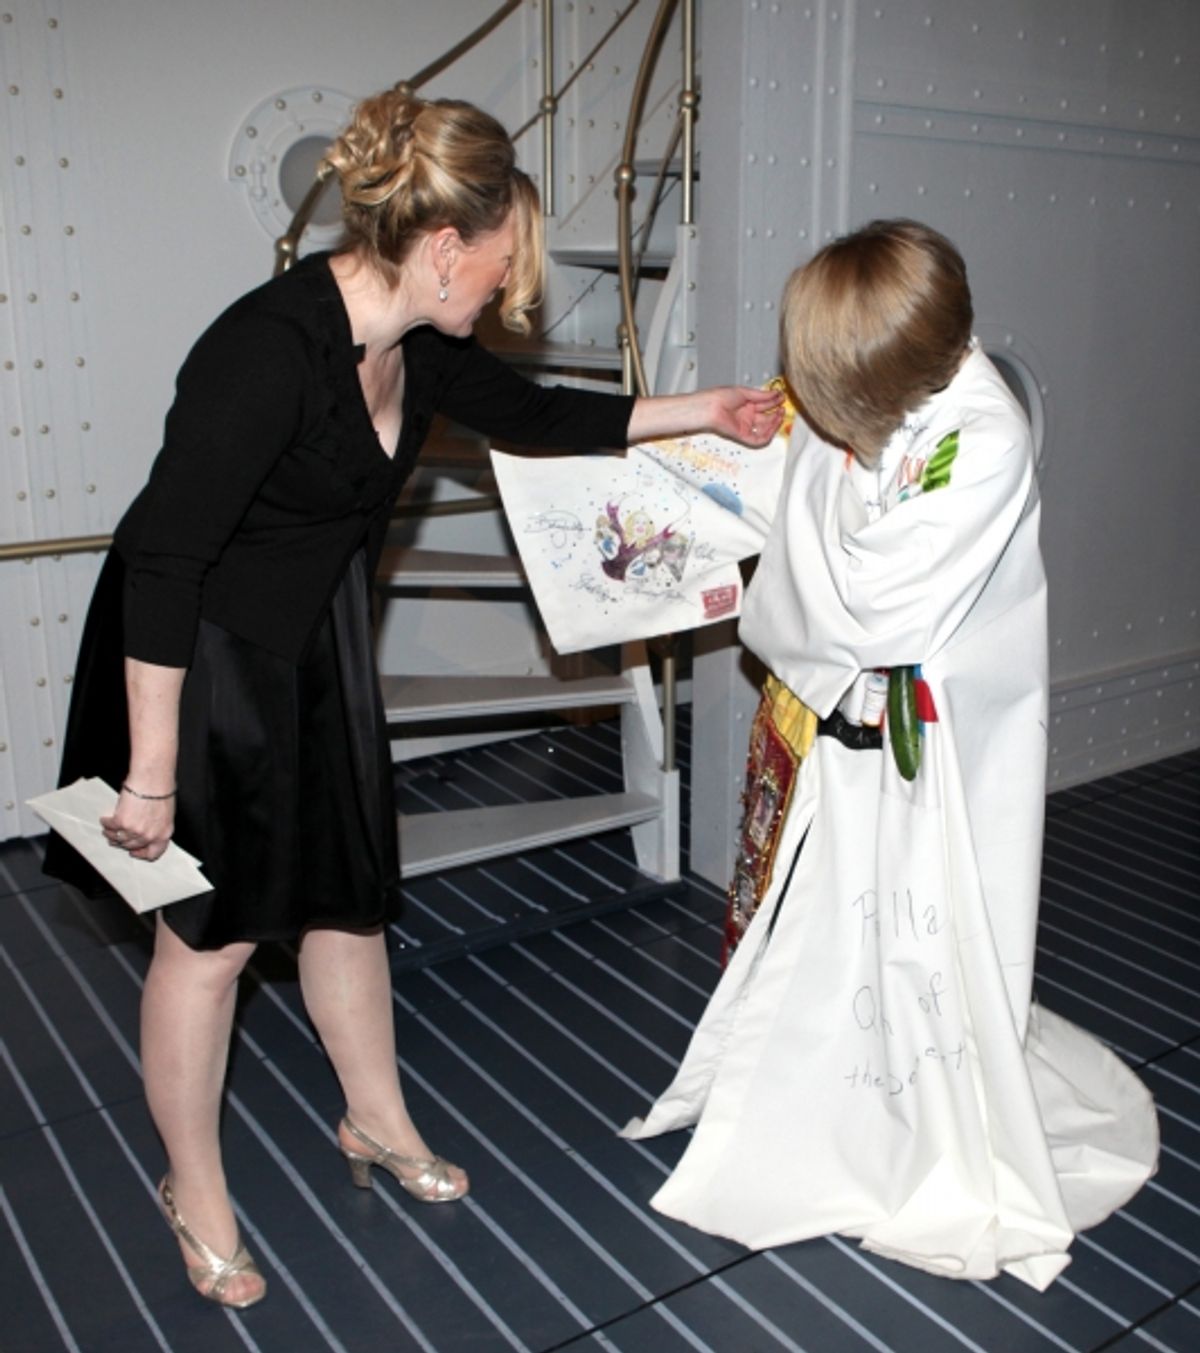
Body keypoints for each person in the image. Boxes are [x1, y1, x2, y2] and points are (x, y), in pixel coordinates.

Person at [43, 87, 782, 1309]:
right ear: (445, 247)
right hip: (202, 657)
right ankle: (194, 1186)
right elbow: (167, 565)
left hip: (316, 643)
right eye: (498, 266)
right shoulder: (262, 351)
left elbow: (540, 416)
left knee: (347, 901)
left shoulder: (423, 344)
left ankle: (374, 1119)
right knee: (209, 944)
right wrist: (154, 772)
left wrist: (700, 411)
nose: (503, 291)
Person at [622, 220, 1158, 1289]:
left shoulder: (982, 435)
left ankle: (908, 1119)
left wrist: (766, 579)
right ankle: (832, 1087)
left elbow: (873, 609)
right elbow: (812, 491)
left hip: (934, 740)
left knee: (924, 920)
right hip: (854, 724)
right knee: (842, 906)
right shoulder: (887, 407)